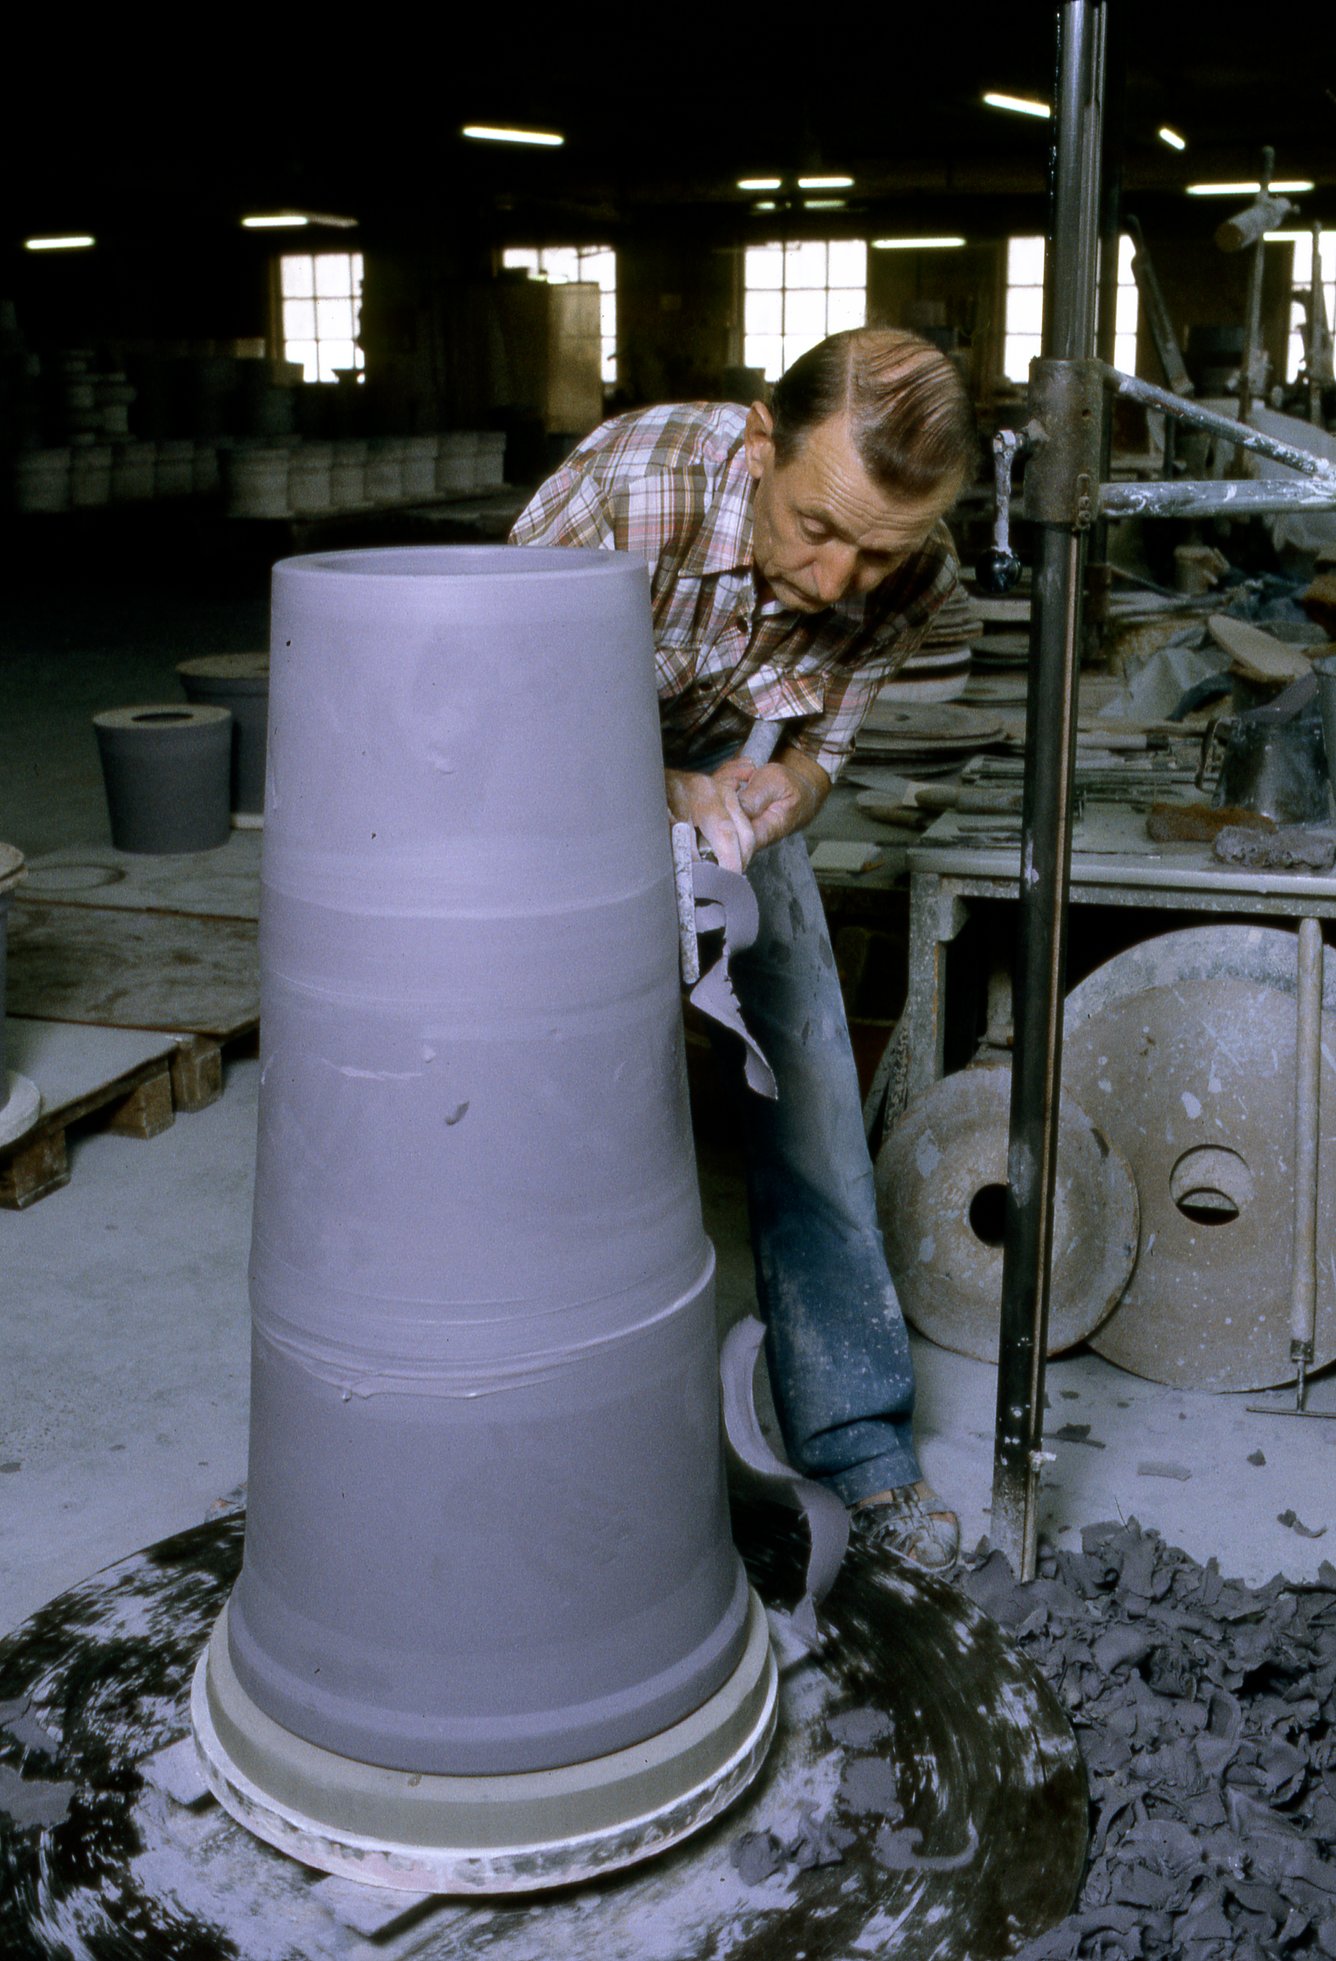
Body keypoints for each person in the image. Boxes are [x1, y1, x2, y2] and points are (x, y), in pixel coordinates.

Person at [510, 327, 976, 1570]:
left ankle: (860, 1442)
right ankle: (515, 1432)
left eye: (879, 552)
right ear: (761, 436)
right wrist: (638, 782)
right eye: (817, 527)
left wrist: (795, 792)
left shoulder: (903, 573)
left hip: (722, 796)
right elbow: (486, 707)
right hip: (537, 790)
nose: (835, 581)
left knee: (811, 1092)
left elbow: (820, 748)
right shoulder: (636, 482)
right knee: (523, 1115)